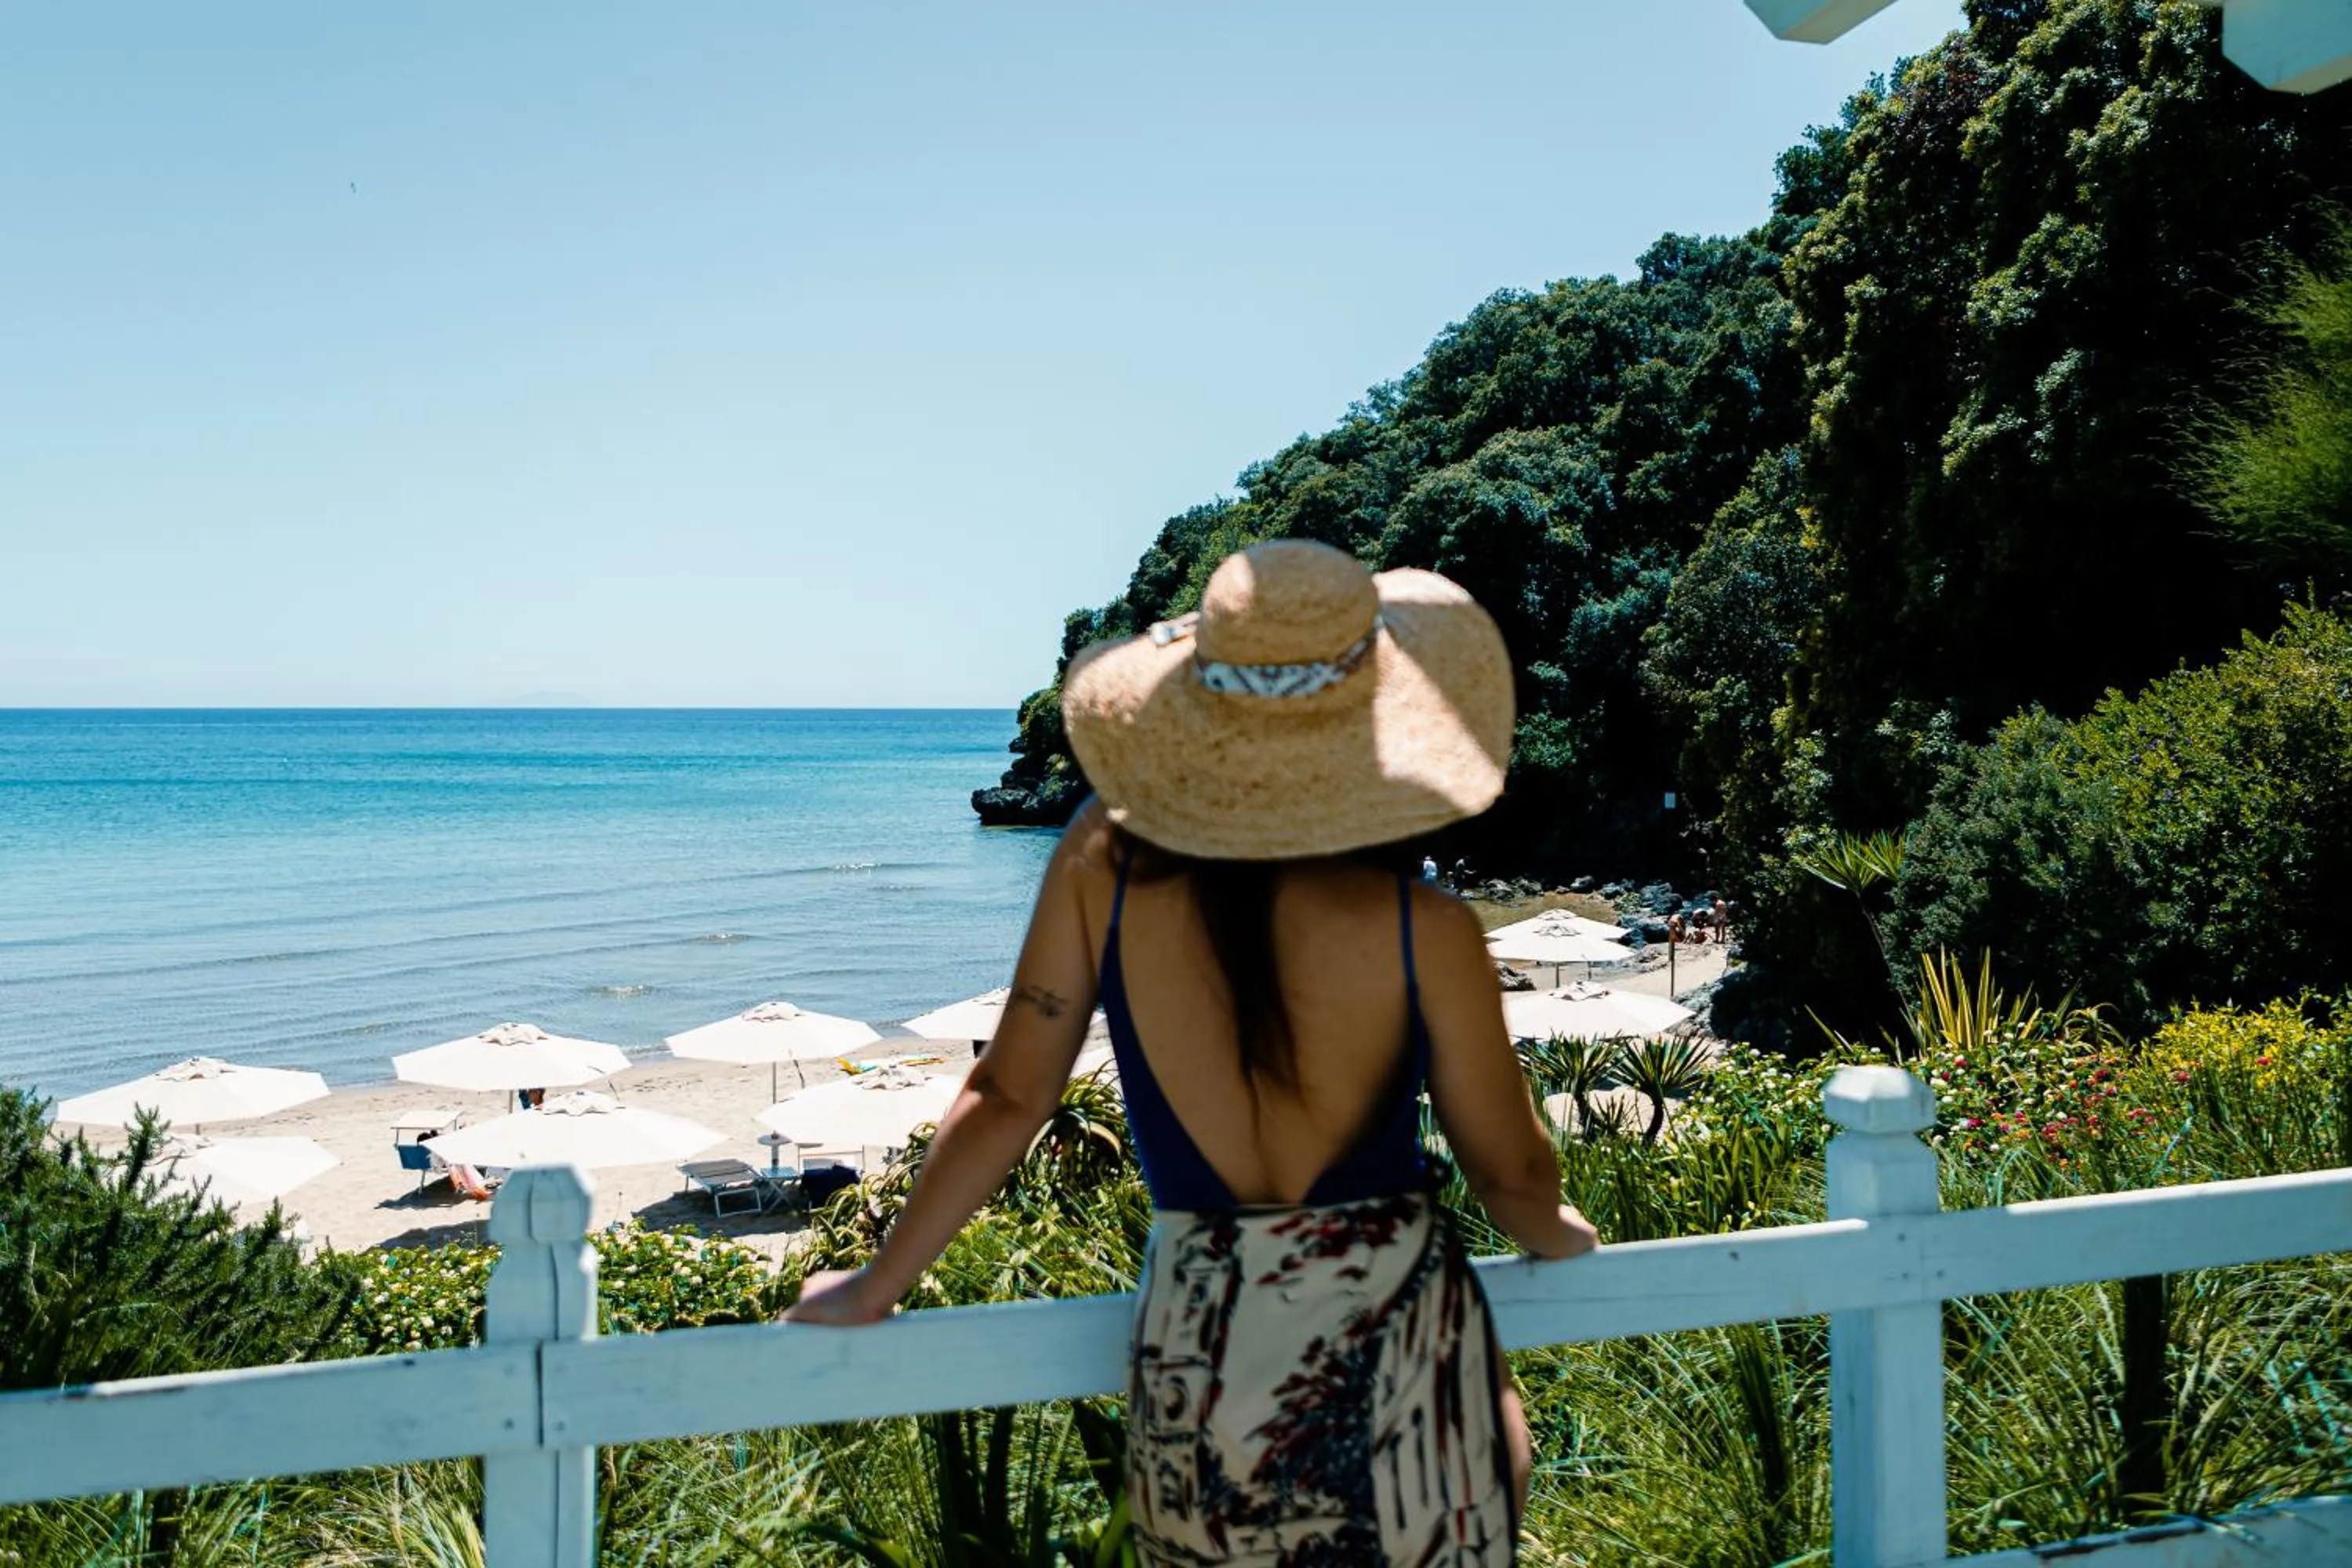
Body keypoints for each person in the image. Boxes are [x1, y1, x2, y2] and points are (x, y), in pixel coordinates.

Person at [785, 540, 1596, 1563]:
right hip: (1408, 1370)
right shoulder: (1422, 926)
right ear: (1376, 720)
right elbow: (1512, 1169)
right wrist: (1560, 1233)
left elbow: (1009, 1093)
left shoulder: (1104, 860)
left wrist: (879, 1282)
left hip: (1201, 1365)